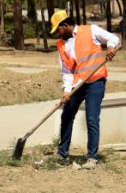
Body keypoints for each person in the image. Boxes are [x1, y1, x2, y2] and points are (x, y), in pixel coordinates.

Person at [49, 10, 120, 169]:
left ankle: (92, 158)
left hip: (95, 82)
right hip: (77, 85)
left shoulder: (91, 31)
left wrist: (110, 48)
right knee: (66, 115)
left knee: (92, 119)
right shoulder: (62, 46)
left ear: (65, 25)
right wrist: (67, 91)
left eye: (58, 29)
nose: (57, 34)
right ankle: (62, 152)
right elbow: (67, 71)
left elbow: (113, 38)